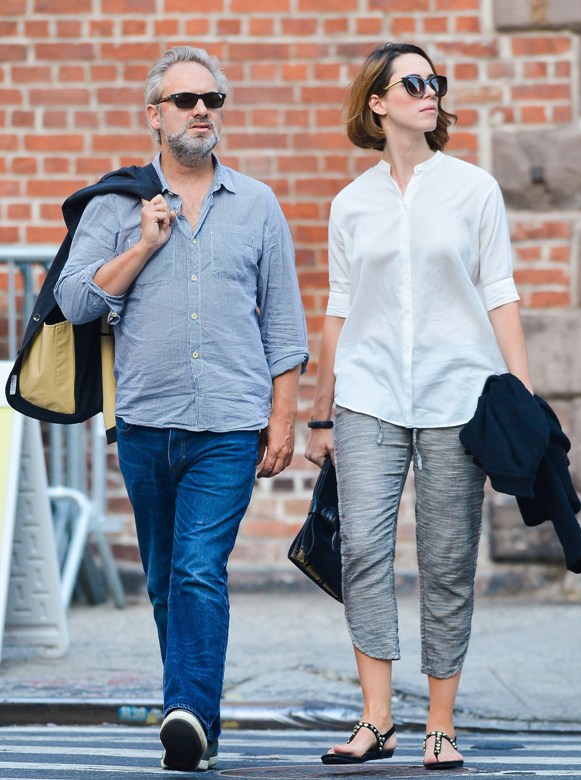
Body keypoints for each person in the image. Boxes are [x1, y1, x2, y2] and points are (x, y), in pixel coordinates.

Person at [55, 46, 308, 772]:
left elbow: (283, 323)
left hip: (228, 423)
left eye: (212, 100)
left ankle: (187, 712)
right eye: (186, 100)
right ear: (154, 115)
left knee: (199, 569)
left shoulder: (257, 204)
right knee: (166, 580)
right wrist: (142, 245)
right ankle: (198, 722)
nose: (202, 110)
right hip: (145, 422)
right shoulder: (117, 204)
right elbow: (74, 300)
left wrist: (283, 417)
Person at [305, 41, 532, 771]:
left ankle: (440, 723)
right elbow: (339, 309)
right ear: (377, 103)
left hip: (457, 397)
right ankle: (377, 719)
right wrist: (320, 414)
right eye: (413, 83)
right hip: (368, 395)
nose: (430, 91)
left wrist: (522, 397)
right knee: (362, 549)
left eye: (435, 81)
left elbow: (499, 292)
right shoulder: (351, 203)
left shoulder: (474, 189)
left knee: (446, 559)